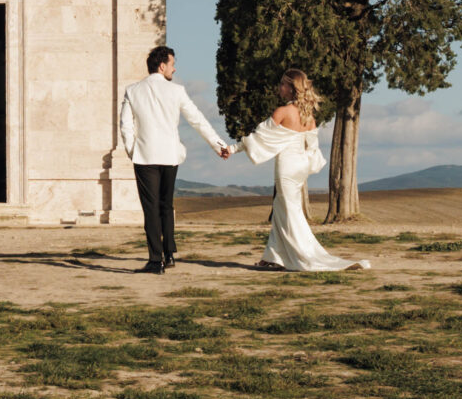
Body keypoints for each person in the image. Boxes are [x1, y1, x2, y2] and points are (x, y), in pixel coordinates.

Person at [117, 44, 233, 273]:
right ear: (162, 66)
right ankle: (169, 254)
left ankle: (155, 260)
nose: (175, 69)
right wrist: (218, 145)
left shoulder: (133, 90)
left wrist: (133, 151)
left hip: (145, 155)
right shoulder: (177, 91)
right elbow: (198, 120)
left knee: (151, 208)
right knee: (166, 205)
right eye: (172, 64)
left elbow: (125, 126)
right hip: (170, 155)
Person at [239, 70, 369, 272]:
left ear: (292, 88)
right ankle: (271, 257)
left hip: (286, 167)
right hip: (300, 167)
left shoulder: (282, 112)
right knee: (280, 208)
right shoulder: (308, 116)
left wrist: (232, 149)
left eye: (283, 84)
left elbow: (258, 138)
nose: (279, 88)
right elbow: (312, 147)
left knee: (291, 212)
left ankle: (307, 255)